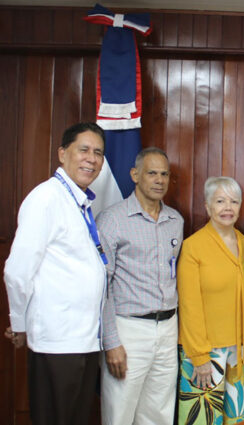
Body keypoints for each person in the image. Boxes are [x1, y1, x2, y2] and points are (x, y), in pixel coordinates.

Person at [4, 122, 106, 425]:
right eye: (83, 150)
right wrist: (20, 323)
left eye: (98, 153)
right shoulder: (46, 198)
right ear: (63, 154)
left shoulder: (79, 202)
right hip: (58, 341)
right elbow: (17, 271)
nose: (92, 158)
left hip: (84, 340)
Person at [97, 147, 184, 425]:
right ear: (135, 175)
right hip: (128, 330)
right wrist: (111, 342)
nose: (159, 180)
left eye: (164, 174)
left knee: (159, 412)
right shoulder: (112, 219)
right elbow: (102, 286)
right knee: (119, 411)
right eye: (151, 173)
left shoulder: (175, 220)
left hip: (168, 328)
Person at [177, 177, 244, 423]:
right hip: (205, 352)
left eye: (233, 201)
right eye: (220, 201)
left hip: (240, 350)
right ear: (207, 206)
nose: (227, 207)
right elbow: (189, 306)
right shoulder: (193, 247)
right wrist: (199, 357)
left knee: (238, 417)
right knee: (204, 419)